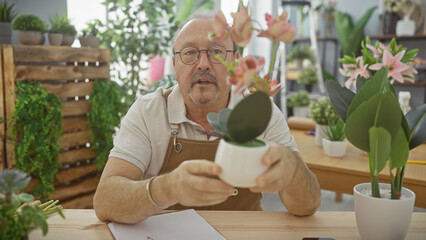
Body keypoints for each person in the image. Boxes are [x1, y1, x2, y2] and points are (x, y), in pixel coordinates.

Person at [93, 16, 321, 224]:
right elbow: (105, 202)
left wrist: (293, 170)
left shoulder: (260, 111)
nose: (203, 63)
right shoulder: (148, 111)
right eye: (190, 52)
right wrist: (167, 188)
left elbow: (307, 206)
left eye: (216, 52)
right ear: (174, 64)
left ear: (236, 62)